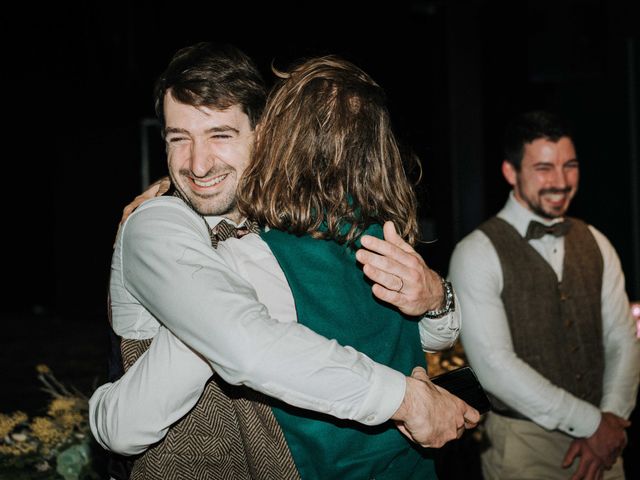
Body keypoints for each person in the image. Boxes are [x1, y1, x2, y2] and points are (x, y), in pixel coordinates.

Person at [89, 42, 479, 479]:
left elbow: (422, 336)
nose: (197, 164)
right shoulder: (162, 222)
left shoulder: (293, 223)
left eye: (221, 135)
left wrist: (435, 296)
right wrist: (408, 400)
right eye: (179, 139)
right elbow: (241, 344)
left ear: (264, 135)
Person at [448, 110, 640, 480]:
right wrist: (590, 423)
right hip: (524, 446)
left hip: (606, 443)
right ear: (510, 172)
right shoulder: (476, 252)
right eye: (544, 168)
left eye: (570, 166)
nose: (561, 181)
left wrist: (612, 419)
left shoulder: (597, 243)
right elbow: (494, 367)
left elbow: (622, 340)